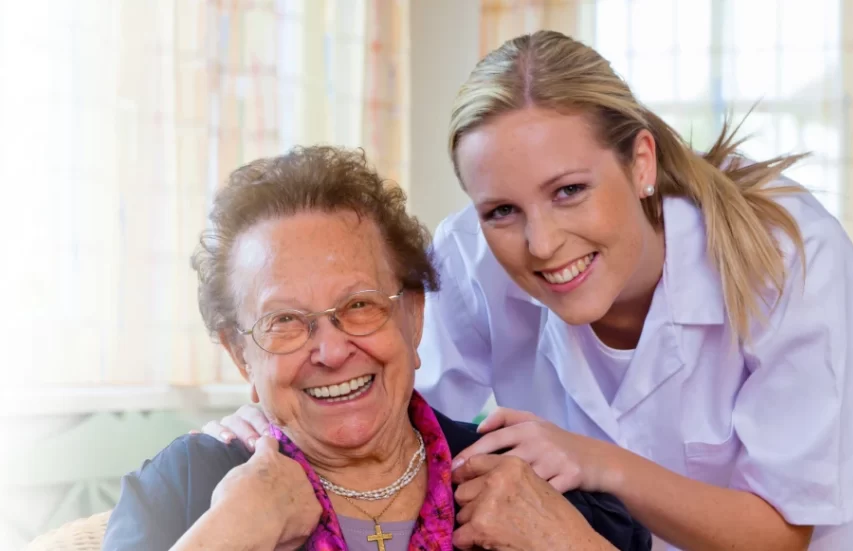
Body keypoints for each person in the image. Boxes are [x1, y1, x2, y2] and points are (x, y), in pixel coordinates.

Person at [203, 30, 853, 551]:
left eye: (569, 191)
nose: (540, 242)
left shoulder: (787, 255)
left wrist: (596, 462)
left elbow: (782, 533)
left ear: (641, 160)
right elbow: (396, 418)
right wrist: (273, 418)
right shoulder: (469, 259)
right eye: (501, 210)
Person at [102, 146, 651, 551]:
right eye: (285, 321)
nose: (332, 350)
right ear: (241, 355)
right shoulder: (186, 491)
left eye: (360, 305)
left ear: (414, 317)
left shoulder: (530, 484)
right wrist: (228, 536)